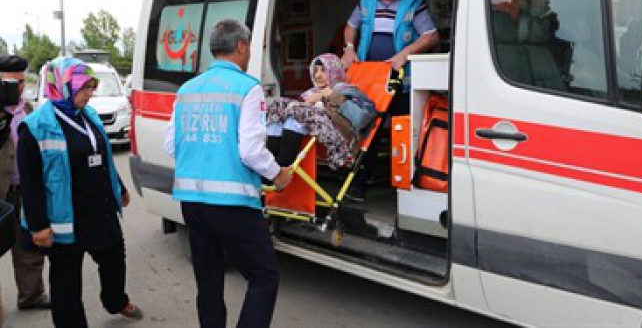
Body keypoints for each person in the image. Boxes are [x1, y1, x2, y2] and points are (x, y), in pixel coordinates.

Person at [164, 20, 293, 328]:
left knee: (208, 281)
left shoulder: (187, 89)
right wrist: (277, 174)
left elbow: (171, 144)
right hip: (233, 202)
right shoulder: (247, 88)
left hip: (192, 202)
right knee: (264, 276)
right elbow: (250, 150)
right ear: (242, 47)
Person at [17, 57, 142, 328]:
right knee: (66, 282)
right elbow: (30, 182)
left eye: (92, 86)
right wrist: (39, 226)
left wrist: (118, 187)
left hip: (100, 208)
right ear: (63, 87)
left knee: (114, 260)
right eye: (84, 87)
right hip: (65, 216)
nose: (90, 93)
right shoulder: (35, 126)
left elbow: (103, 154)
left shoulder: (89, 116)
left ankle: (115, 300)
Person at [340, 0, 439, 200]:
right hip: (370, 79)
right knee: (368, 130)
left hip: (399, 80)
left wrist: (404, 54)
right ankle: (360, 185)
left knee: (402, 132)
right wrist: (349, 48)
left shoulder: (414, 2)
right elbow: (350, 25)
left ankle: (405, 192)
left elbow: (431, 35)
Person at [0, 55, 51, 312]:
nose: (18, 88)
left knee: (29, 247)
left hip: (24, 189)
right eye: (11, 82)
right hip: (0, 192)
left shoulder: (29, 109)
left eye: (21, 82)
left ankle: (31, 295)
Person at [266, 53, 376, 170]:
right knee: (277, 108)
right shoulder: (310, 93)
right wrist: (309, 102)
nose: (318, 75)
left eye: (323, 70)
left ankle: (281, 165)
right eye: (315, 71)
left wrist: (332, 96)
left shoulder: (346, 91)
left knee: (297, 114)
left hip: (340, 138)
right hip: (315, 133)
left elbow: (362, 118)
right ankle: (270, 165)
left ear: (334, 71)